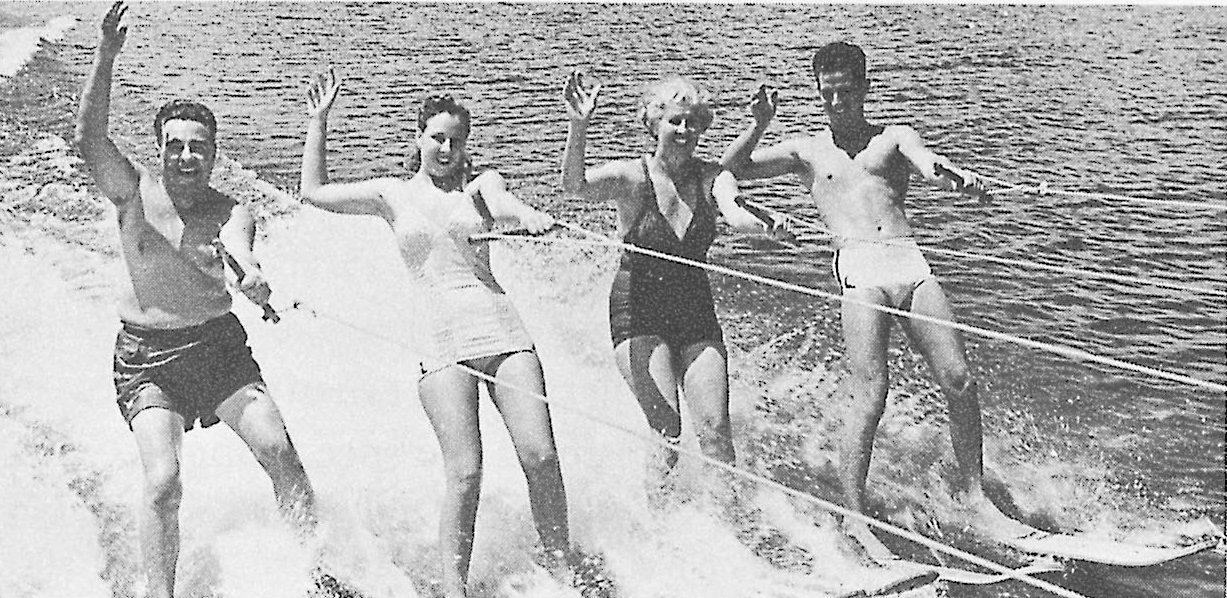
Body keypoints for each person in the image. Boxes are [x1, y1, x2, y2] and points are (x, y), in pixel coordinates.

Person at [721, 41, 1034, 559]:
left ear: (864, 88)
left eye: (846, 92)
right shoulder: (805, 151)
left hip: (907, 261)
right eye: (827, 94)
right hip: (859, 267)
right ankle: (855, 517)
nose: (836, 103)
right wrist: (758, 125)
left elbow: (929, 163)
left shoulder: (893, 138)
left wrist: (957, 178)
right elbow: (731, 168)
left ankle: (974, 496)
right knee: (871, 392)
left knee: (960, 379)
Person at [74, 3, 317, 596]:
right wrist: (106, 55)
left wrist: (252, 277)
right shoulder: (131, 193)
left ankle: (317, 570)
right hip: (147, 360)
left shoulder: (230, 210)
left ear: (214, 154)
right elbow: (88, 139)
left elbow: (242, 251)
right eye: (175, 146)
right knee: (163, 483)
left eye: (198, 147)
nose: (186, 157)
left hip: (216, 351)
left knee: (280, 451)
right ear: (159, 149)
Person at [299, 70, 571, 598]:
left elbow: (509, 207)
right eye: (437, 138)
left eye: (456, 140)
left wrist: (530, 216)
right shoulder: (391, 194)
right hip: (441, 341)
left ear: (467, 146)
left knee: (541, 457)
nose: (446, 149)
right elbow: (313, 193)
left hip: (502, 331)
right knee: (466, 473)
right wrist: (319, 120)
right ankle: (453, 588)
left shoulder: (480, 187)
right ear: (419, 139)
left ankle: (564, 569)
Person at [560, 71, 790, 504]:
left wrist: (765, 226)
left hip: (694, 310)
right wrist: (579, 125)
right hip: (638, 311)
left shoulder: (712, 177)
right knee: (667, 431)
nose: (684, 131)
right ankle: (661, 525)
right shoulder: (631, 178)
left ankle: (729, 524)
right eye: (674, 122)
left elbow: (734, 210)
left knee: (716, 433)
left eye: (692, 123)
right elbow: (575, 186)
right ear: (654, 124)